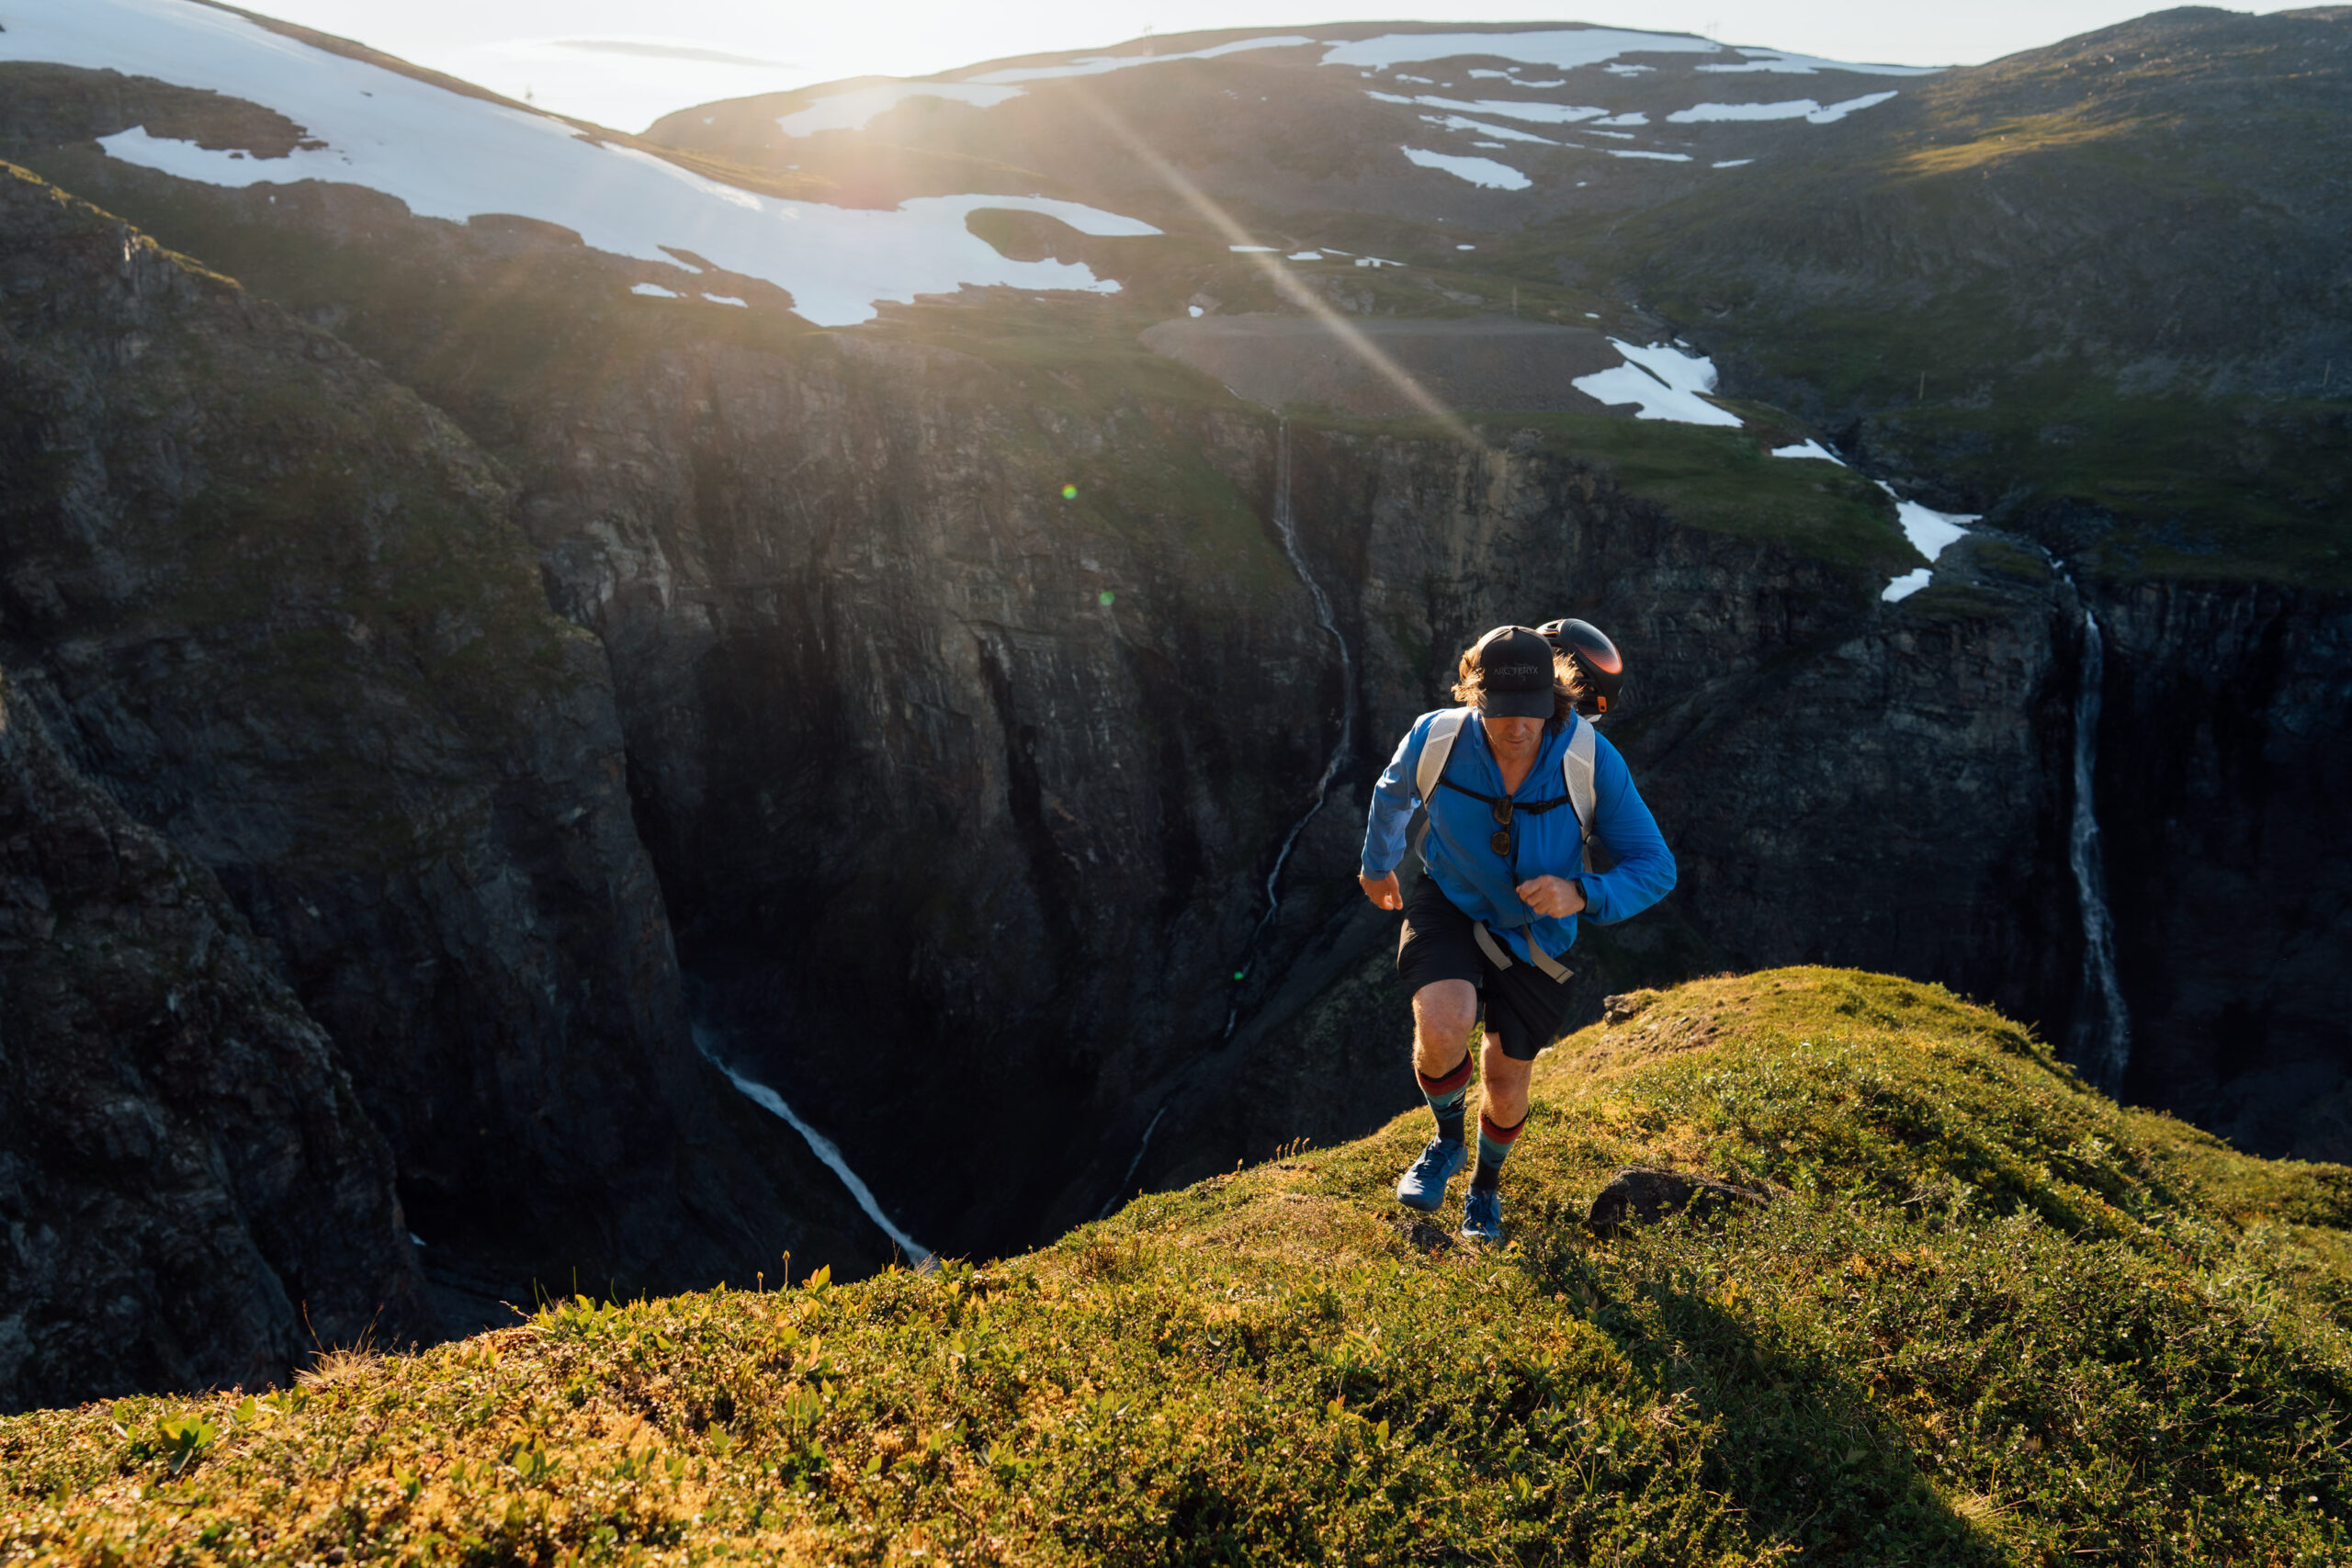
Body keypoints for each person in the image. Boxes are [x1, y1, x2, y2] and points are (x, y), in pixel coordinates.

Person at [1359, 623, 1676, 1242]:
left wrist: (1581, 892)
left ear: (1555, 700)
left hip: (1538, 934)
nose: (1517, 727)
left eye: (1531, 712)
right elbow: (1392, 791)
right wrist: (1377, 865)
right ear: (1476, 696)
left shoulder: (1587, 758)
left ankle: (1485, 1186)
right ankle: (1446, 1140)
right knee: (1442, 1024)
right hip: (1450, 901)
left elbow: (1655, 866)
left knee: (1505, 1083)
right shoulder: (1439, 736)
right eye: (1502, 711)